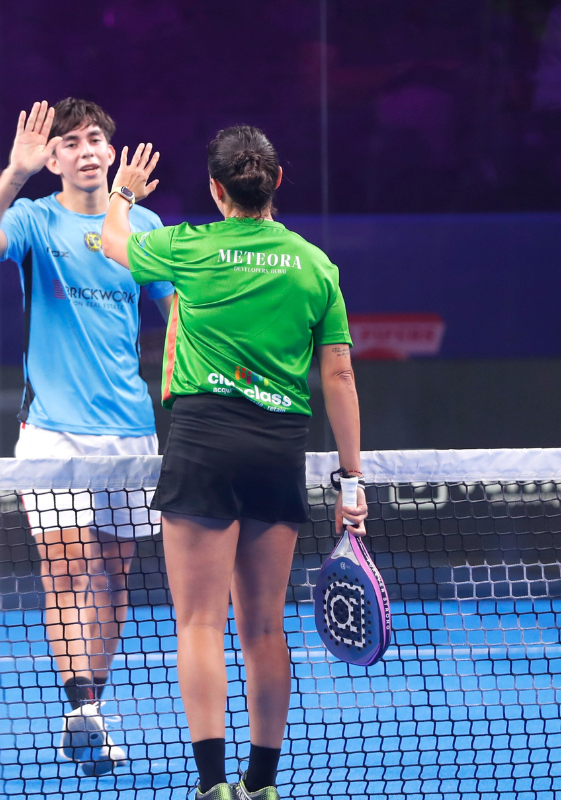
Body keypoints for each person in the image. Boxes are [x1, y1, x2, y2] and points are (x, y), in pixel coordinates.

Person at [100, 126, 368, 800]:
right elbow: (338, 377)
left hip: (203, 445)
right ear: (278, 181)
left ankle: (214, 784)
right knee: (265, 627)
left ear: (217, 189)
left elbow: (112, 244)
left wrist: (122, 194)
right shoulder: (314, 265)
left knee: (198, 624)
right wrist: (352, 480)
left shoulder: (189, 246)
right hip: (278, 450)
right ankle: (264, 784)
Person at [0, 98, 174, 776]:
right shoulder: (32, 219)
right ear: (52, 157)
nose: (87, 150)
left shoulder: (143, 225)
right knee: (69, 565)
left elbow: (176, 314)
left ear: (111, 154)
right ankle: (79, 702)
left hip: (130, 433)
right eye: (72, 141)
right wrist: (13, 174)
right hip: (50, 433)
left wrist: (181, 386)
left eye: (96, 140)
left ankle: (90, 711)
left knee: (114, 574)